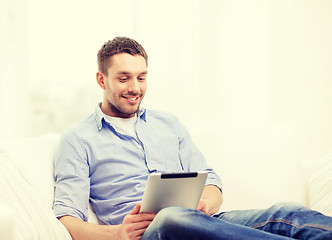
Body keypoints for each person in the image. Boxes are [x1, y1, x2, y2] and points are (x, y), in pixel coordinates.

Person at [53, 36, 332, 240]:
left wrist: (206, 202)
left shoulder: (168, 123)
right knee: (170, 218)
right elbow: (67, 219)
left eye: (142, 77)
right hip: (151, 235)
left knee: (288, 212)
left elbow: (209, 179)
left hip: (202, 223)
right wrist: (118, 233)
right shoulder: (78, 139)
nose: (135, 88)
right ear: (102, 80)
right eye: (124, 78)